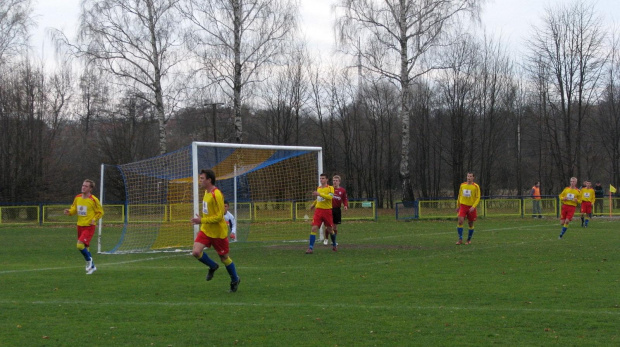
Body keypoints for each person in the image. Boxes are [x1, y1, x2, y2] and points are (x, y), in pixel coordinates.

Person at [191, 169, 240, 292]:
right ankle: (212, 266)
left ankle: (235, 279)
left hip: (218, 233)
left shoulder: (216, 194)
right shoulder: (206, 193)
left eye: (202, 178)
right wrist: (202, 222)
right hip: (207, 230)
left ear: (209, 180)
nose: (200, 181)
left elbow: (219, 216)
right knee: (196, 252)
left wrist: (201, 220)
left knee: (224, 258)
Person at [63, 179, 104, 275]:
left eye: (86, 186)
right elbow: (74, 209)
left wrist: (94, 219)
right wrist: (69, 212)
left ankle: (89, 260)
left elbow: (100, 212)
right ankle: (92, 267)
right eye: (83, 185)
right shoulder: (77, 197)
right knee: (86, 247)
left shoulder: (93, 200)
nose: (83, 187)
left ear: (90, 189)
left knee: (79, 245)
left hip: (89, 226)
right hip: (79, 225)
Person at [306, 173, 334, 254]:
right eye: (320, 178)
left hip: (327, 211)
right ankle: (310, 248)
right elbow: (319, 198)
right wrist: (313, 204)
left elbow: (330, 197)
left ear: (327, 179)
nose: (321, 180)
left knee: (329, 229)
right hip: (318, 211)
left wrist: (319, 194)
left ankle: (334, 244)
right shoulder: (318, 188)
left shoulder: (330, 188)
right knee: (314, 228)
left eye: (323, 178)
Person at [323, 175, 348, 249]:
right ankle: (326, 239)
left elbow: (344, 199)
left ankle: (333, 241)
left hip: (337, 210)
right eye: (334, 180)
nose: (335, 182)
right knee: (329, 226)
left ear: (339, 182)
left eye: (336, 181)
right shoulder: (329, 189)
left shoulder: (342, 190)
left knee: (335, 226)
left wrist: (345, 205)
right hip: (329, 208)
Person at [455, 172, 480, 245]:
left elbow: (478, 197)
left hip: (471, 207)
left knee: (470, 224)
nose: (469, 178)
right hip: (463, 206)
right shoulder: (462, 185)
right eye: (468, 176)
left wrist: (473, 206)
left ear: (473, 178)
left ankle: (468, 239)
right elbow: (459, 195)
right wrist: (458, 205)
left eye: (470, 176)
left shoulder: (476, 186)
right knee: (460, 221)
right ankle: (460, 239)